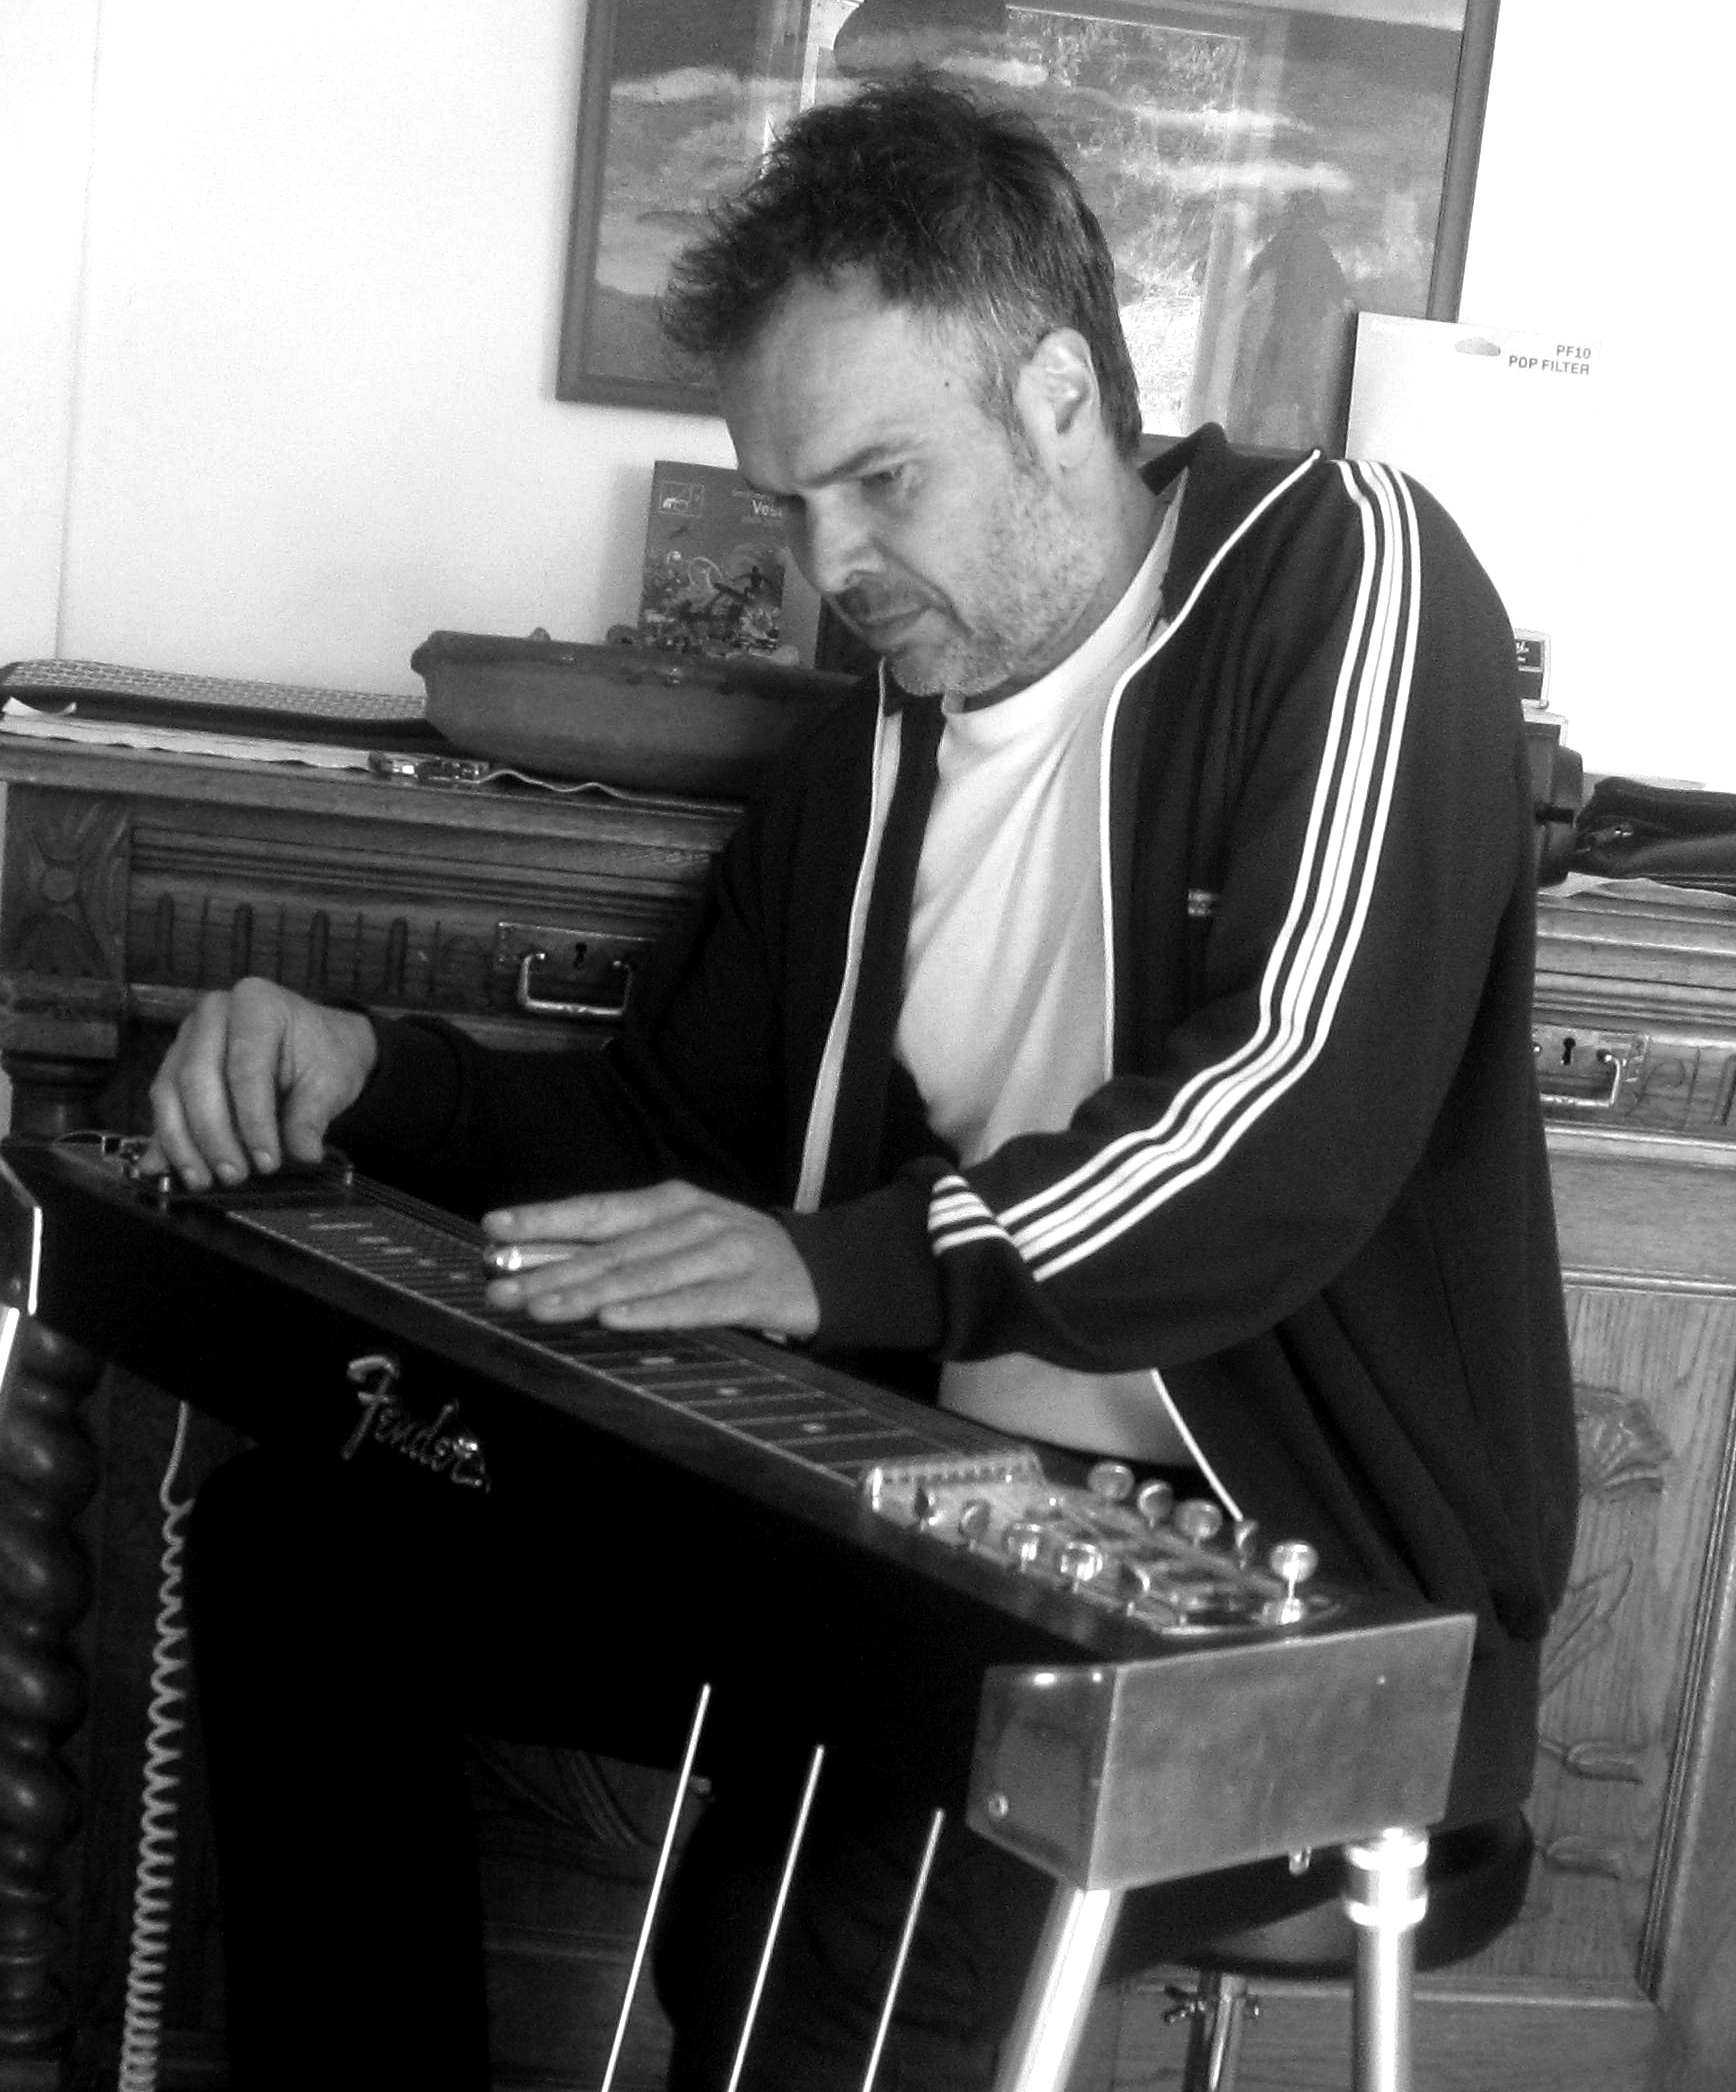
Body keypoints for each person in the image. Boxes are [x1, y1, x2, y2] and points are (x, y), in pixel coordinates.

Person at [144, 75, 1578, 2092]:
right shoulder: (867, 760)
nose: (833, 562)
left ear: (1060, 394)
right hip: (882, 1519)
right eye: (788, 502)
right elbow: (674, 1148)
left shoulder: (1342, 575)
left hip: (1295, 1590)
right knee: (309, 1559)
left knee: (820, 1927)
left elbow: (1285, 1113)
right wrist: (372, 1070)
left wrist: (837, 1268)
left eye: (880, 478)